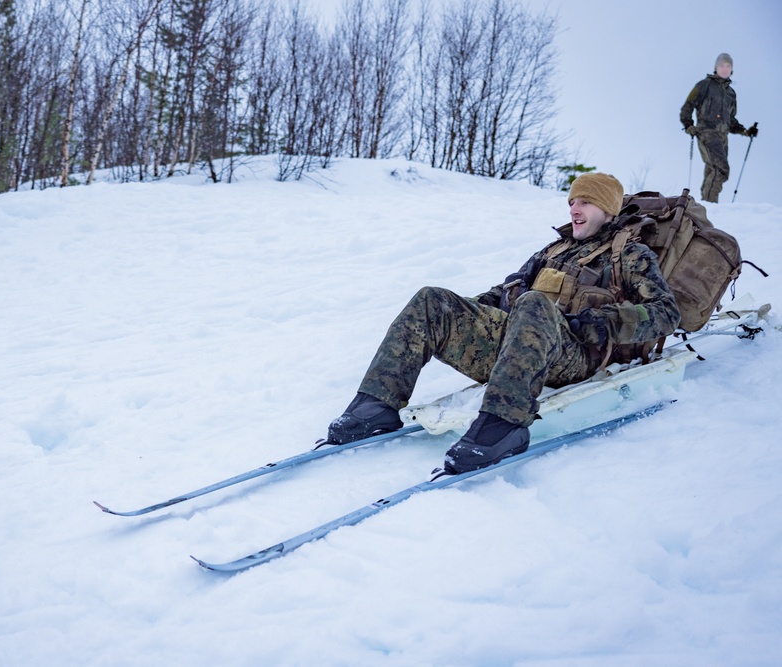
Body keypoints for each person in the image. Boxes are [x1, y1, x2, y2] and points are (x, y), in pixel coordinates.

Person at [325, 172, 681, 475]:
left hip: (574, 355)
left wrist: (605, 322)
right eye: (572, 201)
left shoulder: (630, 254)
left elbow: (667, 312)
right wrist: (463, 314)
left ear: (607, 209)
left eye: (585, 202)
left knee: (533, 302)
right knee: (432, 299)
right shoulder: (553, 250)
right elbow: (505, 291)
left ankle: (503, 426)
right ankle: (375, 407)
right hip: (518, 350)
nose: (574, 209)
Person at [680, 53, 758, 203]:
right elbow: (688, 105)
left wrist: (746, 131)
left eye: (728, 66)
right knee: (721, 169)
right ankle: (710, 205)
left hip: (723, 136)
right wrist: (688, 124)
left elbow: (731, 120)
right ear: (716, 67)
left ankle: (704, 204)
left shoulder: (731, 93)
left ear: (732, 69)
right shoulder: (703, 85)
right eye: (722, 65)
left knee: (712, 169)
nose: (725, 68)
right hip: (706, 132)